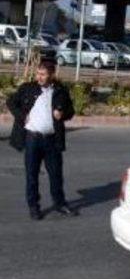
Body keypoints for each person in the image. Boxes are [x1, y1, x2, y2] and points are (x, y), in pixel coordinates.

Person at [7, 58, 77, 220]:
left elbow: (71, 111)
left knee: (56, 174)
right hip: (33, 139)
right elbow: (11, 102)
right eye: (38, 73)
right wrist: (21, 116)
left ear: (51, 74)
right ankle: (34, 206)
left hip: (52, 140)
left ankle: (60, 203)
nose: (39, 77)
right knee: (32, 174)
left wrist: (62, 114)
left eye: (43, 74)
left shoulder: (60, 91)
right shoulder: (28, 88)